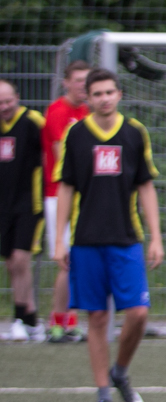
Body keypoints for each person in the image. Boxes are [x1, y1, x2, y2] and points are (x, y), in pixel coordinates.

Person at [53, 68, 164, 402]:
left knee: (139, 313)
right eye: (97, 93)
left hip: (126, 239)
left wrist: (156, 237)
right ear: (87, 98)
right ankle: (103, 396)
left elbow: (145, 185)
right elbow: (66, 187)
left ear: (119, 95)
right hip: (86, 241)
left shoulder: (134, 132)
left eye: (109, 92)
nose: (104, 98)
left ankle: (120, 372)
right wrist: (58, 240)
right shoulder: (76, 134)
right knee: (98, 318)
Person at [40, 59, 93, 342]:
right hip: (58, 196)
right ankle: (56, 323)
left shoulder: (87, 111)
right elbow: (64, 159)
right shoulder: (58, 112)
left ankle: (70, 322)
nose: (83, 86)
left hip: (82, 195)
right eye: (78, 80)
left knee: (80, 260)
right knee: (66, 261)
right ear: (66, 83)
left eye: (87, 80)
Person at [0, 81, 46, 341]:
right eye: (0, 103)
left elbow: (51, 152)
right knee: (11, 262)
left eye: (8, 101)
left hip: (30, 203)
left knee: (20, 259)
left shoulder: (33, 122)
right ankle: (31, 321)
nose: (4, 107)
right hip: (4, 205)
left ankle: (19, 319)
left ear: (17, 97)